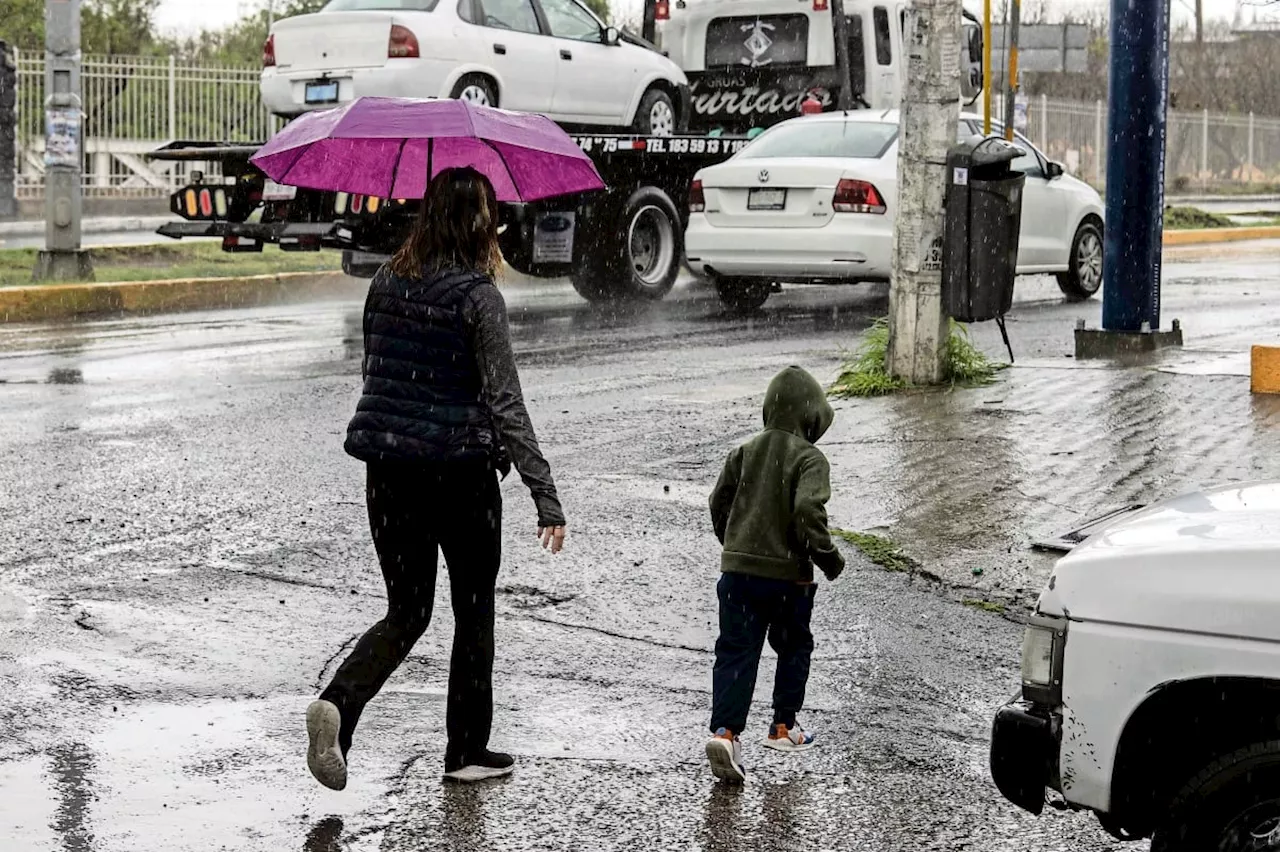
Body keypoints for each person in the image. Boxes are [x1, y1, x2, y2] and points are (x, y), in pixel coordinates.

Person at [306, 167, 567, 790]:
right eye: (489, 212)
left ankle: (339, 706)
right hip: (460, 476)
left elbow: (378, 371)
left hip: (389, 470)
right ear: (477, 223)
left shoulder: (386, 279)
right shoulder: (479, 297)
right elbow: (505, 402)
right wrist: (543, 492)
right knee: (473, 611)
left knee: (407, 610)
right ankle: (465, 753)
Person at [704, 365, 845, 784]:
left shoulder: (744, 451)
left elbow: (718, 503)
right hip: (789, 578)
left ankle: (726, 734)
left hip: (738, 574)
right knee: (793, 646)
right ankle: (784, 727)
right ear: (812, 416)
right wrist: (828, 557)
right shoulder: (810, 458)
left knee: (735, 650)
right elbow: (807, 511)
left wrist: (735, 545)